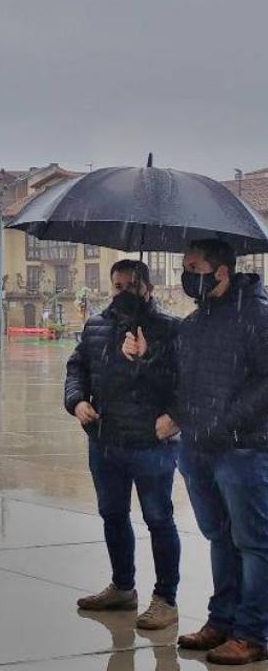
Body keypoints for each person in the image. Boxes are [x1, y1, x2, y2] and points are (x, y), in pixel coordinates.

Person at [126, 239, 268, 664]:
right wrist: (144, 357)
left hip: (243, 450)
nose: (187, 275)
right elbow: (177, 378)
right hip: (198, 450)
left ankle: (254, 631)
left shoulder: (259, 317)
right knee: (219, 538)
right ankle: (221, 620)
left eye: (193, 267)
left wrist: (223, 421)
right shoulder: (196, 322)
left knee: (254, 542)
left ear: (220, 271)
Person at [65, 260, 180, 630]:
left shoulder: (169, 328)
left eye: (131, 286)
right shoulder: (96, 325)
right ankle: (122, 586)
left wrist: (146, 357)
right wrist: (77, 400)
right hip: (105, 441)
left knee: (159, 519)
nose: (123, 292)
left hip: (151, 444)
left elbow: (182, 382)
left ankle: (165, 598)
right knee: (112, 515)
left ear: (147, 287)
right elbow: (77, 367)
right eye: (117, 286)